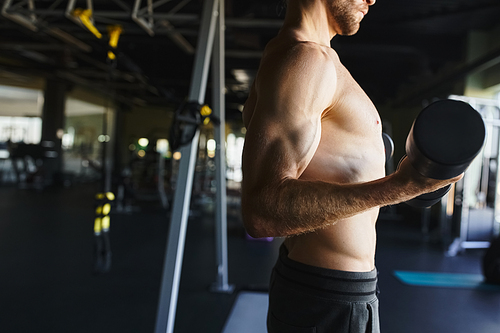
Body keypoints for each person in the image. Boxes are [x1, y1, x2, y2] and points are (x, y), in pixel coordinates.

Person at [240, 0, 463, 332]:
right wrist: (399, 187)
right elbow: (262, 211)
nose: (372, 0)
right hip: (327, 297)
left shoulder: (309, 57)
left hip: (325, 291)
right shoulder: (306, 60)